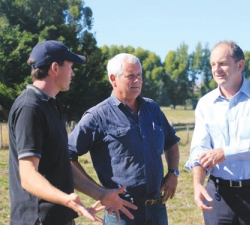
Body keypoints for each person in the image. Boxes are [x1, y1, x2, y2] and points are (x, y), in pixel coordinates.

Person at [8, 40, 136, 225]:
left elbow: (61, 165)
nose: (73, 72)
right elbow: (28, 177)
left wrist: (101, 194)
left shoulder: (49, 105)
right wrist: (67, 200)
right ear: (55, 68)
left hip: (58, 218)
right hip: (38, 220)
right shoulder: (30, 107)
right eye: (70, 66)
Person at [68, 53, 180, 225]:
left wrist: (173, 172)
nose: (137, 81)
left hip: (157, 208)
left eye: (139, 76)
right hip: (122, 212)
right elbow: (67, 156)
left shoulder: (152, 109)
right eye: (130, 76)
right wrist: (99, 192)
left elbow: (171, 141)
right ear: (113, 79)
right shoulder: (98, 116)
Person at [184, 41, 250, 225]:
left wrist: (224, 153)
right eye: (213, 64)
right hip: (219, 195)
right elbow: (199, 149)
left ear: (240, 65)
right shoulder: (205, 103)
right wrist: (197, 184)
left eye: (222, 63)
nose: (216, 69)